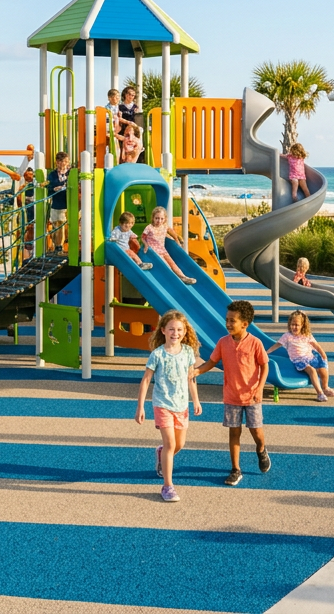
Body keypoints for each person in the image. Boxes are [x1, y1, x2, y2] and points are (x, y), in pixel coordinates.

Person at [195, 300, 271, 486]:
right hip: (231, 396)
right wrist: (196, 371)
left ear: (244, 324)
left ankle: (261, 449)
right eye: (227, 320)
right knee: (234, 433)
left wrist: (260, 388)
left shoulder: (255, 343)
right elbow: (211, 362)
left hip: (252, 396)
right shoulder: (223, 342)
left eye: (232, 321)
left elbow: (265, 366)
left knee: (256, 431)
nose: (228, 324)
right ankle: (235, 469)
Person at [135, 310, 203, 503]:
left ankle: (161, 453)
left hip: (182, 405)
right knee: (171, 444)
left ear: (185, 331)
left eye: (180, 329)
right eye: (171, 329)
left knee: (179, 445)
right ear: (163, 330)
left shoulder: (188, 352)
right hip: (162, 404)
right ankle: (167, 486)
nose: (176, 333)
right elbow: (146, 381)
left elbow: (191, 378)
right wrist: (140, 407)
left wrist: (196, 400)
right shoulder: (157, 355)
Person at [277, 310, 334, 401]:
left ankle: (325, 387)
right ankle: (320, 393)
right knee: (312, 370)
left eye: (297, 325)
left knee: (323, 369)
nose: (294, 327)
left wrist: (323, 353)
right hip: (298, 360)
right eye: (293, 324)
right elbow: (277, 344)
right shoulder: (287, 336)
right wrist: (267, 352)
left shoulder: (307, 335)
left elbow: (316, 345)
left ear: (302, 325)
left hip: (310, 357)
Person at [141, 206, 195, 284]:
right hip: (154, 252)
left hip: (163, 250)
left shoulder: (165, 226)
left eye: (161, 219)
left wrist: (177, 241)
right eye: (157, 218)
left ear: (165, 219)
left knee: (172, 264)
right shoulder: (149, 228)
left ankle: (183, 277)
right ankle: (175, 279)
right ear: (153, 218)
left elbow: (173, 233)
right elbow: (143, 237)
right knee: (166, 265)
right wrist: (146, 245)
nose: (159, 221)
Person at [45, 153, 70, 248]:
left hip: (70, 203)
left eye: (67, 162)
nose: (65, 164)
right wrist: (54, 189)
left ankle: (66, 244)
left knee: (67, 225)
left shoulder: (71, 173)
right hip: (57, 203)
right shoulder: (52, 175)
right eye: (64, 162)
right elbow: (48, 188)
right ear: (58, 162)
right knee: (58, 225)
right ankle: (58, 246)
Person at [17, 166, 38, 260]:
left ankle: (29, 246)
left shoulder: (32, 184)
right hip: (25, 206)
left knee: (31, 225)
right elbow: (18, 196)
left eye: (30, 175)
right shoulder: (24, 185)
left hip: (31, 206)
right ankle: (26, 247)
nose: (28, 177)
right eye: (26, 175)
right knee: (26, 225)